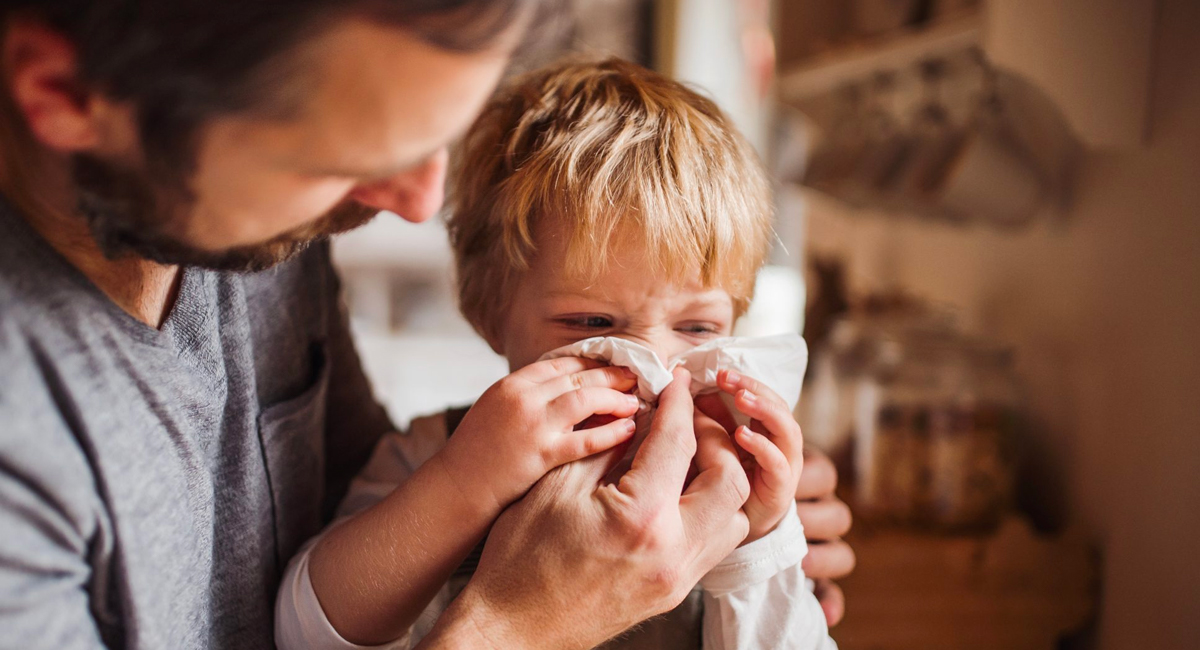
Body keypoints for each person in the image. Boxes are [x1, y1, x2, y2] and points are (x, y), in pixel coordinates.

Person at [0, 2, 853, 649]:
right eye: (346, 157)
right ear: (69, 97)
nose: (414, 205)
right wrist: (520, 620)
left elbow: (335, 507)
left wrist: (761, 549)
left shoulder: (257, 226)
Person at [276, 58, 836, 650]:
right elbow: (304, 634)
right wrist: (466, 482)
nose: (650, 368)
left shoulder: (725, 481)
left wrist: (762, 540)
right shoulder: (438, 453)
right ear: (491, 314)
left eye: (697, 327)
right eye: (593, 324)